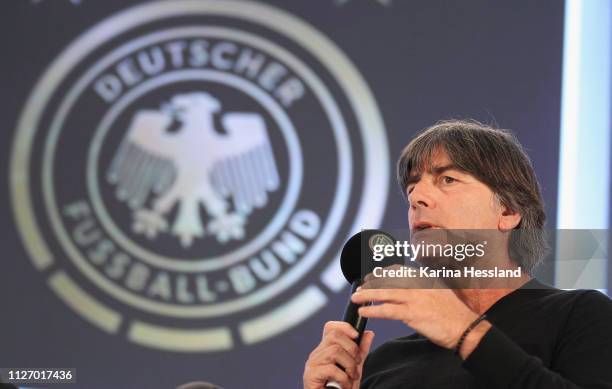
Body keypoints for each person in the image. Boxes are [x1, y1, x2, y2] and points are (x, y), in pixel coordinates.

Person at [303, 120, 612, 389]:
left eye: (447, 180)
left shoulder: (579, 315)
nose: (418, 198)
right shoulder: (383, 363)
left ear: (508, 210)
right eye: (412, 188)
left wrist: (465, 332)